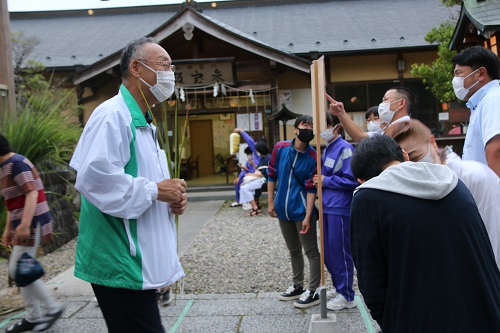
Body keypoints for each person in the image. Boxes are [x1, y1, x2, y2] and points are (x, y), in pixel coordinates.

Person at [69, 37, 187, 333]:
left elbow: (146, 182)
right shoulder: (113, 116)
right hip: (120, 260)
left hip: (136, 260)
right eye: (164, 64)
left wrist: (171, 196)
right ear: (136, 68)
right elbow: (94, 178)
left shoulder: (144, 122)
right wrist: (156, 190)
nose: (170, 72)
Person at [349, 135, 500, 333]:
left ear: (361, 180)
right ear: (405, 155)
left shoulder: (367, 198)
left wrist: (390, 322)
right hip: (486, 311)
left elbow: (371, 282)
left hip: (420, 319)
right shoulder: (454, 183)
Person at [385, 119, 500, 268]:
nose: (413, 166)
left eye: (414, 157)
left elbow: (493, 241)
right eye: (404, 163)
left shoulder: (474, 176)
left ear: (432, 142)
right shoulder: (411, 188)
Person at [0, 134, 64, 333]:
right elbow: (13, 202)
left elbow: (31, 194)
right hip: (23, 223)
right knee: (20, 269)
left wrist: (25, 225)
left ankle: (52, 308)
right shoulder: (4, 168)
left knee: (19, 270)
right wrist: (8, 228)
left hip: (33, 222)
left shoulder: (16, 164)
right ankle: (34, 317)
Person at [267, 115, 320, 309]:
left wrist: (308, 216)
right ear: (295, 130)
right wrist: (271, 202)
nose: (309, 128)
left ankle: (314, 289)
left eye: (312, 126)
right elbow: (271, 174)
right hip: (282, 209)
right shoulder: (280, 148)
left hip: (301, 211)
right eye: (305, 125)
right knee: (293, 250)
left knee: (311, 251)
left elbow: (310, 188)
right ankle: (298, 286)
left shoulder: (314, 156)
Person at [312, 112, 359, 311]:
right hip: (327, 206)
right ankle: (339, 287)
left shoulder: (345, 148)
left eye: (327, 125)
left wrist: (325, 181)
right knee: (329, 252)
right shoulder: (328, 148)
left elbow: (352, 180)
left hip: (340, 207)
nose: (323, 130)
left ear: (336, 127)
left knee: (340, 252)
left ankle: (347, 295)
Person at [451, 45, 500, 176]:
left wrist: (495, 191)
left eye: (459, 73)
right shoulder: (481, 102)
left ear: (481, 74)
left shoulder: (493, 98)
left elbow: (496, 148)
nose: (455, 80)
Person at [327, 87, 415, 141]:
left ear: (401, 103)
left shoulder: (410, 130)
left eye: (385, 99)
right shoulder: (387, 131)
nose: (382, 104)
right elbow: (359, 135)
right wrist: (341, 113)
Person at [239, 142, 270, 216]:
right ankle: (255, 208)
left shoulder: (268, 159)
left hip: (264, 180)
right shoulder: (263, 158)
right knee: (244, 187)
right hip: (260, 179)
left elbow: (264, 173)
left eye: (257, 150)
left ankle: (255, 208)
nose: (256, 152)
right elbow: (259, 169)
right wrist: (253, 164)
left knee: (244, 188)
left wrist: (251, 174)